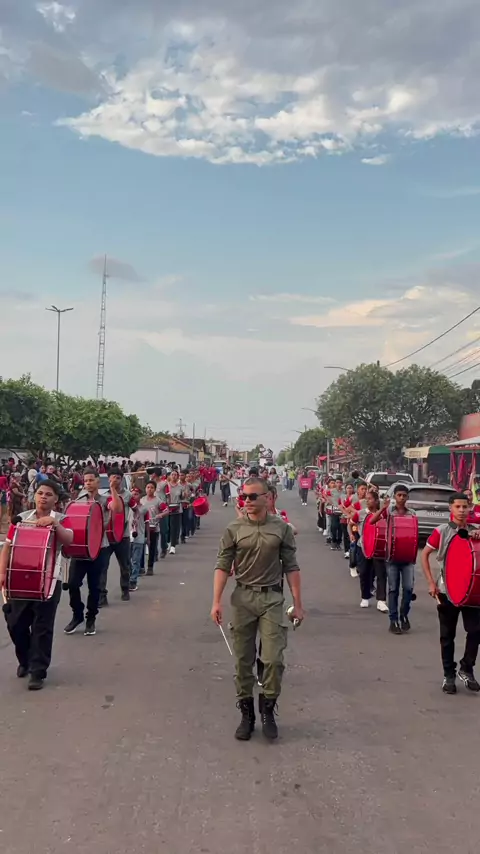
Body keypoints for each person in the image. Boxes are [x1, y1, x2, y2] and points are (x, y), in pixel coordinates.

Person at [211, 477, 304, 741]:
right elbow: (222, 565)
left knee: (273, 659)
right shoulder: (234, 529)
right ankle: (247, 714)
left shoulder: (281, 529)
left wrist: (298, 604)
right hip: (243, 598)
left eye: (253, 496)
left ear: (267, 497)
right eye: (244, 497)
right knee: (243, 660)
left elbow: (291, 567)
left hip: (272, 598)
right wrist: (216, 601)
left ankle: (268, 709)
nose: (247, 501)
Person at [0, 480, 74, 690]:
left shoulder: (62, 519)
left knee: (42, 627)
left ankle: (37, 671)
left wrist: (55, 524)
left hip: (49, 580)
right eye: (40, 493)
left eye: (48, 494)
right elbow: (7, 547)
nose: (43, 497)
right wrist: (2, 572)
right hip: (19, 578)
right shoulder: (22, 518)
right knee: (16, 623)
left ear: (56, 499)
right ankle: (25, 660)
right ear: (35, 496)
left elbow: (69, 539)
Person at [421, 493, 480, 694]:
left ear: (470, 508)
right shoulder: (442, 531)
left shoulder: (475, 530)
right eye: (457, 507)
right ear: (450, 509)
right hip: (447, 590)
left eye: (465, 507)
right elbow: (424, 554)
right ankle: (449, 675)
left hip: (472, 591)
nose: (462, 510)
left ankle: (466, 668)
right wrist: (431, 583)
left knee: (476, 631)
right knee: (447, 636)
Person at [64, 468, 122, 636]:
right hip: (80, 548)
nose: (88, 483)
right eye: (86, 480)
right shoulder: (78, 500)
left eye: (91, 480)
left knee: (95, 587)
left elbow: (117, 509)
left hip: (99, 549)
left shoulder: (105, 500)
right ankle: (77, 615)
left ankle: (91, 619)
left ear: (98, 481)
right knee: (73, 584)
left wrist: (113, 488)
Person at [370, 484, 416, 634]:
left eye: (404, 495)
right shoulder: (389, 511)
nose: (401, 498)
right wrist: (383, 508)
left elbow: (415, 533)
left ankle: (404, 614)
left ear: (407, 497)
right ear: (395, 496)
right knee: (393, 589)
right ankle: (393, 621)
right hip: (392, 556)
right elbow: (372, 521)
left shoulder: (412, 513)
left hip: (407, 556)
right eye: (399, 495)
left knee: (408, 589)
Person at [100, 469, 137, 604]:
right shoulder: (104, 497)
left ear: (121, 480)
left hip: (123, 535)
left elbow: (136, 509)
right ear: (109, 479)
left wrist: (135, 520)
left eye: (117, 478)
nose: (115, 480)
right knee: (103, 567)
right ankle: (102, 596)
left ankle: (125, 589)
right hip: (107, 536)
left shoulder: (127, 495)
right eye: (112, 477)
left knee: (125, 566)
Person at [349, 490, 388, 612]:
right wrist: (352, 534)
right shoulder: (360, 514)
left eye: (370, 498)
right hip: (363, 546)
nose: (367, 501)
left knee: (381, 573)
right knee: (364, 572)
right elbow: (351, 524)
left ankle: (381, 601)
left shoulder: (383, 513)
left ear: (376, 501)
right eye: (366, 499)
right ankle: (365, 597)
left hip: (379, 547)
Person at [142, 481, 168, 573]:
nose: (149, 489)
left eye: (152, 487)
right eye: (148, 487)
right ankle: (141, 567)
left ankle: (150, 567)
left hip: (154, 527)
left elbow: (166, 510)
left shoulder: (158, 501)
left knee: (152, 548)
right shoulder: (142, 500)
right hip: (142, 527)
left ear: (155, 489)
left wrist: (161, 515)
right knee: (141, 547)